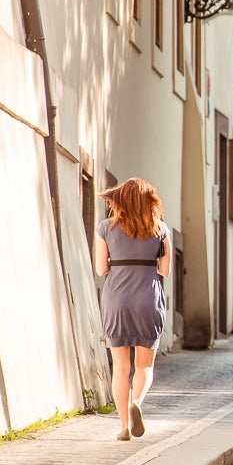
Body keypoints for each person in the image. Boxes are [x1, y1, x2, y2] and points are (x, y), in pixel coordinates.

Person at [93, 177, 172, 442]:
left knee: (121, 366)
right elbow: (165, 270)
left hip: (117, 301)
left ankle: (125, 427)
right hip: (148, 299)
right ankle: (136, 401)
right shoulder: (160, 229)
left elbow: (101, 269)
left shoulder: (105, 228)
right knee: (144, 366)